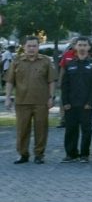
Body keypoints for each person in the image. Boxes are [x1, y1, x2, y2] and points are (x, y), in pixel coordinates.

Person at [4, 36, 57, 164]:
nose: (32, 48)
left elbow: (51, 81)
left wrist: (51, 97)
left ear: (38, 47)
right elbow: (10, 81)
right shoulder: (16, 61)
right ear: (24, 47)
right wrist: (7, 98)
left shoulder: (45, 61)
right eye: (29, 46)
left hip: (41, 102)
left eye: (34, 46)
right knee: (22, 130)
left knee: (41, 129)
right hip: (22, 102)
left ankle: (39, 155)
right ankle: (23, 154)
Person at [60, 37, 92, 163]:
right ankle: (71, 154)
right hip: (71, 104)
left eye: (85, 45)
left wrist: (90, 102)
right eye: (80, 45)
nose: (82, 48)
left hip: (86, 104)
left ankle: (84, 154)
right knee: (71, 129)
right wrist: (65, 102)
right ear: (75, 47)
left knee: (86, 130)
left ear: (89, 47)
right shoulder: (69, 64)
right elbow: (64, 85)